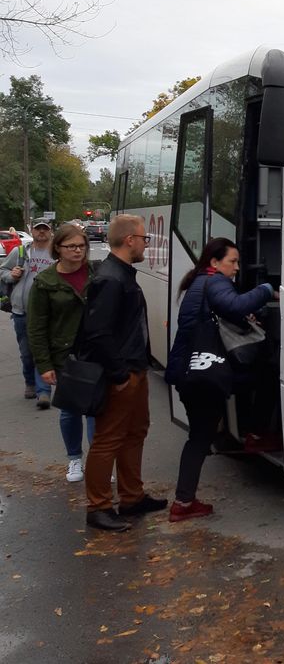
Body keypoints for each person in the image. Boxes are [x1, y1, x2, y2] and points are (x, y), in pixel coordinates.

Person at [166, 237, 273, 522]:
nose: (237, 268)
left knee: (199, 436)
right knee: (266, 374)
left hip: (189, 371)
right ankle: (255, 434)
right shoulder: (215, 281)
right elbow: (234, 306)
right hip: (204, 372)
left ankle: (185, 501)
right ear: (215, 262)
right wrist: (266, 288)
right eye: (233, 262)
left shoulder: (200, 282)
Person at [73, 214, 164, 532]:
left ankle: (131, 498)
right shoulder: (111, 278)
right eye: (144, 238)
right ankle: (97, 508)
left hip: (135, 369)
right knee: (108, 440)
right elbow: (98, 333)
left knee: (135, 433)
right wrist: (120, 375)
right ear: (129, 240)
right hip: (121, 374)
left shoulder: (122, 273)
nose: (145, 244)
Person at [26, 224, 99, 483]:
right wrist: (43, 364)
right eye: (71, 246)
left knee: (94, 410)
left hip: (94, 353)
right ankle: (74, 460)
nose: (78, 251)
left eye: (81, 246)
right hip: (63, 356)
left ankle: (97, 460)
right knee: (70, 410)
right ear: (58, 248)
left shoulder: (96, 272)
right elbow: (36, 327)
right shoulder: (46, 282)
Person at [2, 219, 56, 407]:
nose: (41, 232)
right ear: (32, 231)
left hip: (47, 313)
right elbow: (3, 271)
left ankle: (44, 391)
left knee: (42, 351)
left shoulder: (55, 254)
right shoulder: (21, 252)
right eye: (38, 229)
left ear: (50, 232)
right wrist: (11, 275)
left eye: (45, 229)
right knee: (27, 353)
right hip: (21, 311)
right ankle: (30, 383)